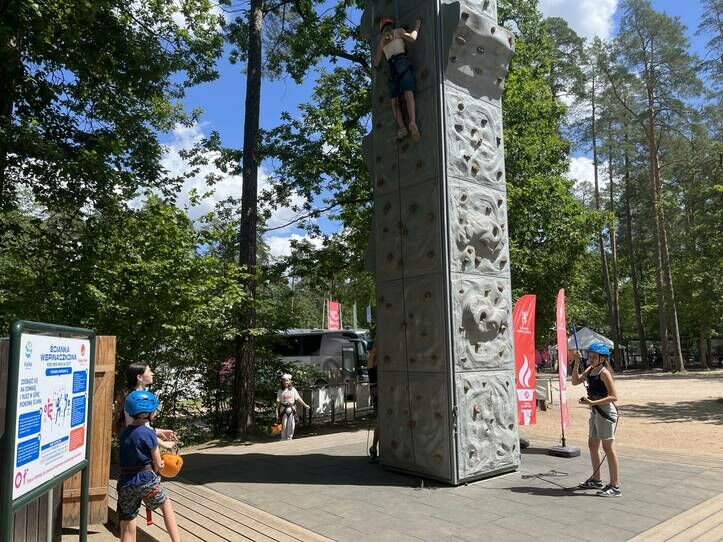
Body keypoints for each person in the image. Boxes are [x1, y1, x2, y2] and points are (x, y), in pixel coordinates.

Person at [117, 390, 181, 542]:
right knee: (166, 505)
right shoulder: (149, 433)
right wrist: (165, 463)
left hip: (126, 483)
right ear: (147, 413)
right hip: (146, 480)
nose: (155, 413)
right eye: (154, 410)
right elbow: (158, 465)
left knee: (127, 523)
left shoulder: (124, 433)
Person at [571, 342, 622, 497]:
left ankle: (615, 485)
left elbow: (614, 397)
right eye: (590, 356)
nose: (591, 359)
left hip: (605, 412)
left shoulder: (604, 373)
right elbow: (575, 381)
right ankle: (596, 479)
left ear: (603, 358)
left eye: (594, 357)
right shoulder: (590, 369)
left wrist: (592, 402)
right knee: (592, 444)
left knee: (608, 448)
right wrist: (576, 362)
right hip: (595, 411)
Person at [373, 16, 422, 142]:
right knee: (408, 94)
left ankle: (402, 128)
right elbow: (412, 38)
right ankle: (412, 122)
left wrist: (382, 45)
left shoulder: (382, 41)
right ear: (392, 25)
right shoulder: (398, 31)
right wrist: (417, 27)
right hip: (402, 63)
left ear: (382, 30)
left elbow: (376, 63)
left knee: (394, 102)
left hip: (391, 69)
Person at [113, 363, 177, 449]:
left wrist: (160, 431)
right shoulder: (133, 399)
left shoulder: (138, 396)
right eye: (149, 371)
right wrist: (163, 443)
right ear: (139, 377)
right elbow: (135, 429)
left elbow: (142, 426)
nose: (152, 373)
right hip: (136, 447)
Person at [276, 374, 311, 440]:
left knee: (291, 425)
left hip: (292, 410)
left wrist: (305, 405)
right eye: (284, 381)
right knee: (284, 425)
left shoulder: (293, 390)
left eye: (287, 380)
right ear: (282, 382)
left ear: (290, 381)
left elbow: (298, 398)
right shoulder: (280, 391)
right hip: (283, 410)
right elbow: (278, 402)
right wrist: (276, 412)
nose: (285, 382)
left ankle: (289, 438)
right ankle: (283, 438)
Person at [367, 342, 380, 462]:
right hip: (378, 395)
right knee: (380, 423)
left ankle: (374, 448)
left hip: (381, 394)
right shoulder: (371, 364)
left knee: (381, 423)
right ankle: (374, 447)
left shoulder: (380, 363)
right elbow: (374, 352)